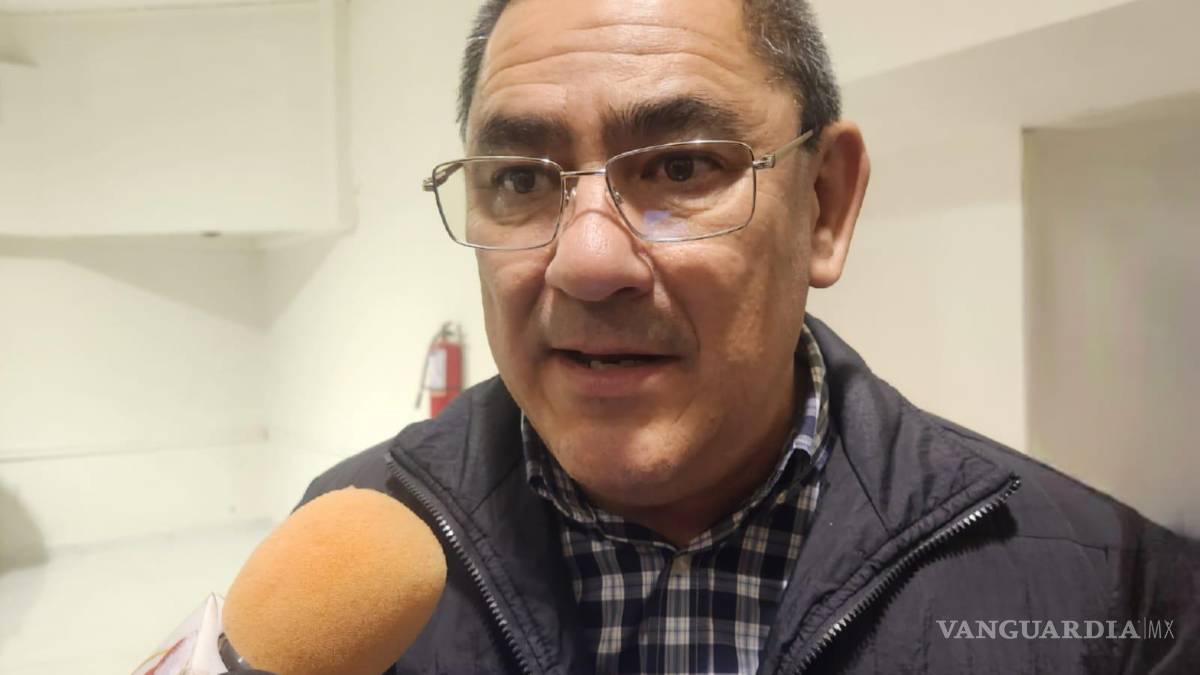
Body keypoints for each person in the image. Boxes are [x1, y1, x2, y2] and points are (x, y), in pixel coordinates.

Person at [299, 1, 1200, 672]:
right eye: (521, 179)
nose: (588, 261)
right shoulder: (343, 555)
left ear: (825, 206)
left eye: (680, 166)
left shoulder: (1115, 596)